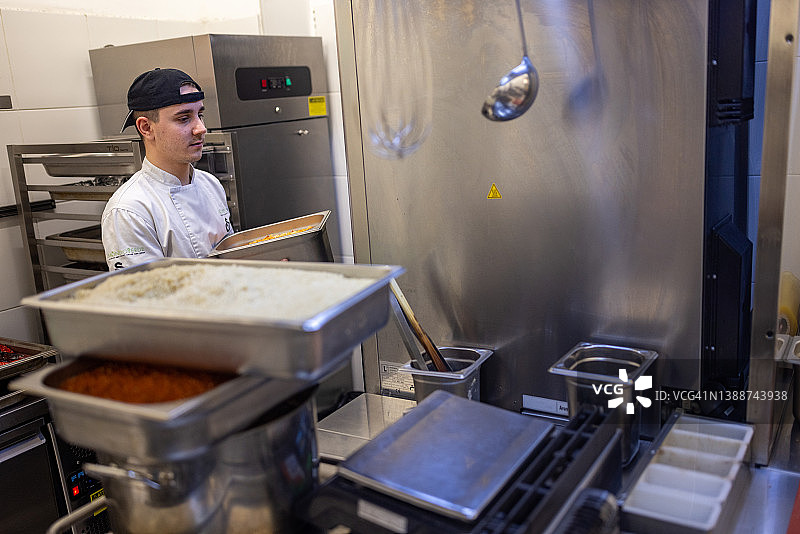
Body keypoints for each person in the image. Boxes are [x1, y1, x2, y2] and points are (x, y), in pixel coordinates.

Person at [101, 68, 232, 271]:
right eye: (183, 118)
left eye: (200, 115)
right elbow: (146, 296)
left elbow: (232, 262)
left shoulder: (210, 184)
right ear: (146, 128)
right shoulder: (130, 210)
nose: (201, 128)